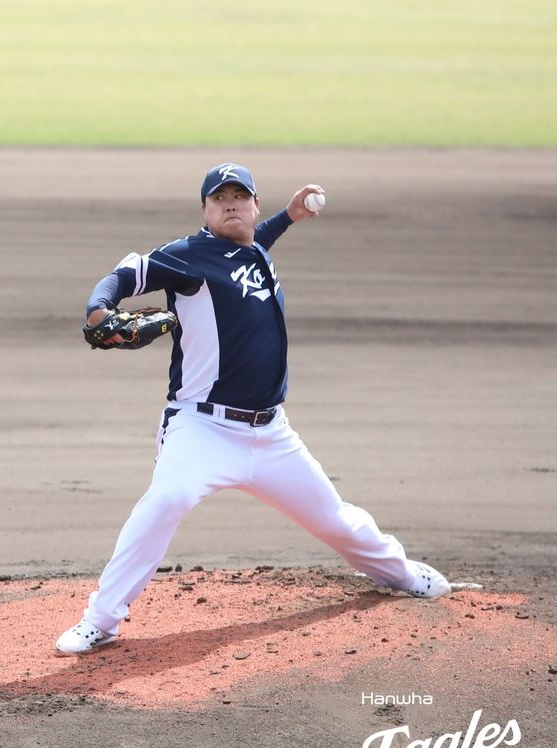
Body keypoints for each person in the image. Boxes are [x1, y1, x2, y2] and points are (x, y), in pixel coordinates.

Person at [56, 162, 450, 655]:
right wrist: (98, 312)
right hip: (201, 428)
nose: (230, 204)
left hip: (273, 437)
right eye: (219, 198)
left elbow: (254, 240)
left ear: (254, 205)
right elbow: (123, 275)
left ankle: (400, 573)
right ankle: (101, 620)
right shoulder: (187, 255)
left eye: (240, 197)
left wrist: (288, 215)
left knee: (334, 518)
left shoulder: (255, 248)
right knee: (165, 502)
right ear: (205, 209)